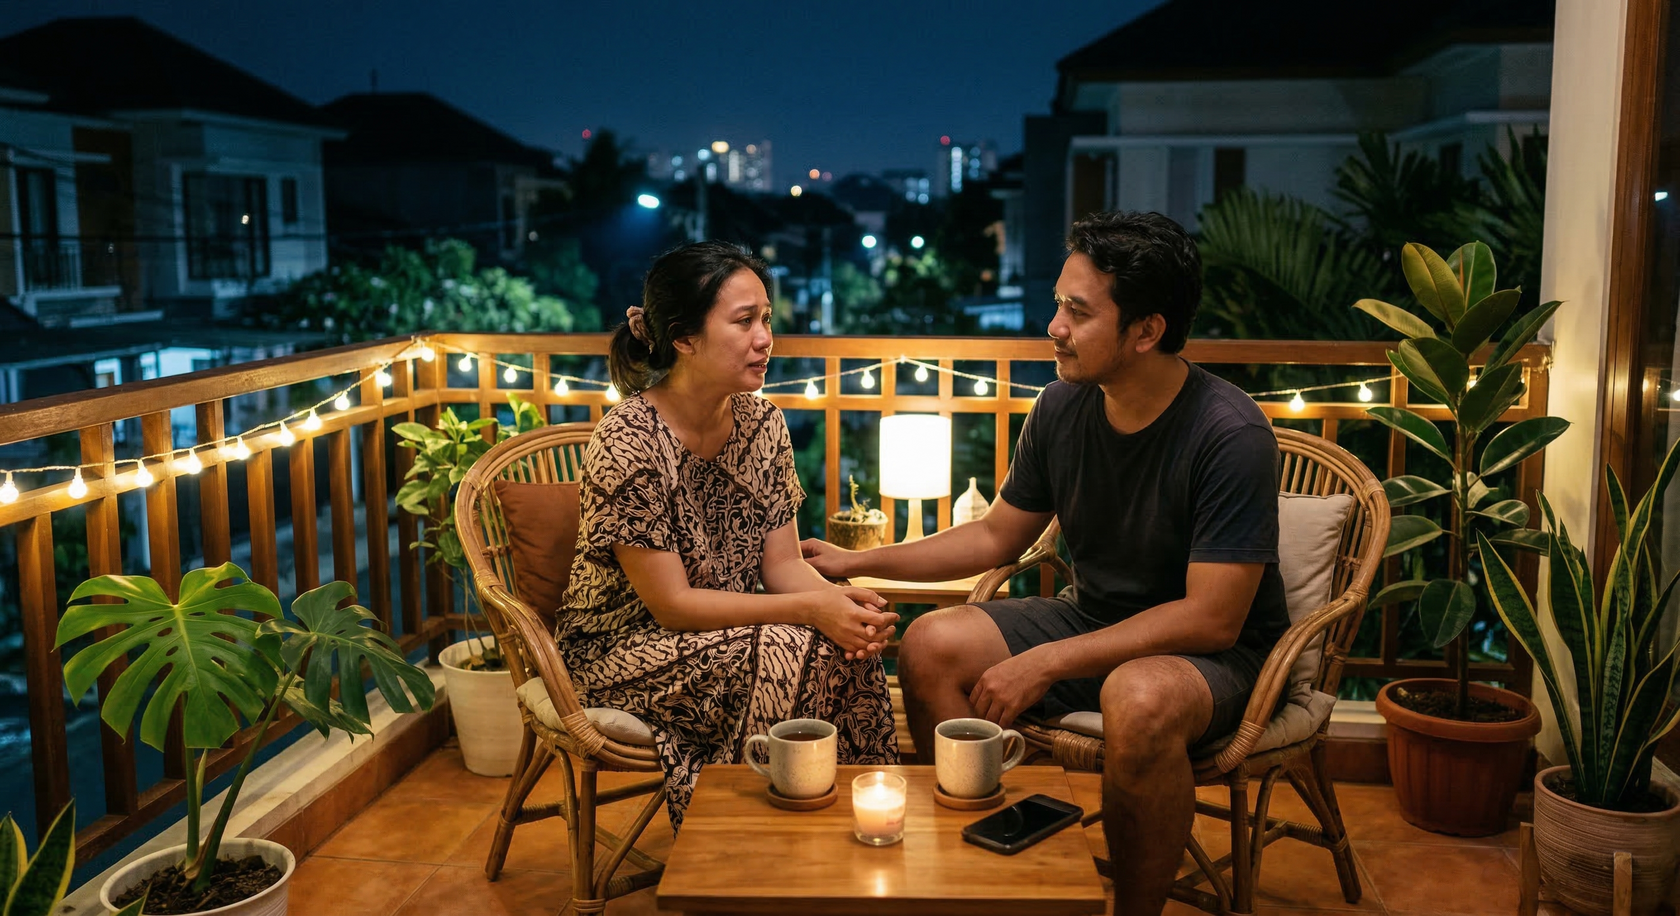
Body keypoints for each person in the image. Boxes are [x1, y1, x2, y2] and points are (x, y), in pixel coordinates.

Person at [802, 211, 1287, 916]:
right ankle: (986, 873)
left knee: (1138, 697)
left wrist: (1048, 662)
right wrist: (857, 562)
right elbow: (995, 537)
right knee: (934, 643)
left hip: (1212, 658)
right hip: (1092, 618)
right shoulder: (1062, 406)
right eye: (1059, 304)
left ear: (1147, 331)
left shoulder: (1228, 432)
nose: (1053, 326)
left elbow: (1212, 618)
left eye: (1077, 312)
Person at [558, 241, 900, 828]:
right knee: (789, 648)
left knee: (848, 651)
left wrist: (838, 603)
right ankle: (742, 849)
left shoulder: (762, 421)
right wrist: (813, 608)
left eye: (767, 318)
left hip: (732, 625)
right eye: (744, 321)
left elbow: (783, 565)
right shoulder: (629, 441)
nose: (765, 338)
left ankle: (850, 832)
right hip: (619, 649)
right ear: (684, 337)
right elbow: (671, 605)